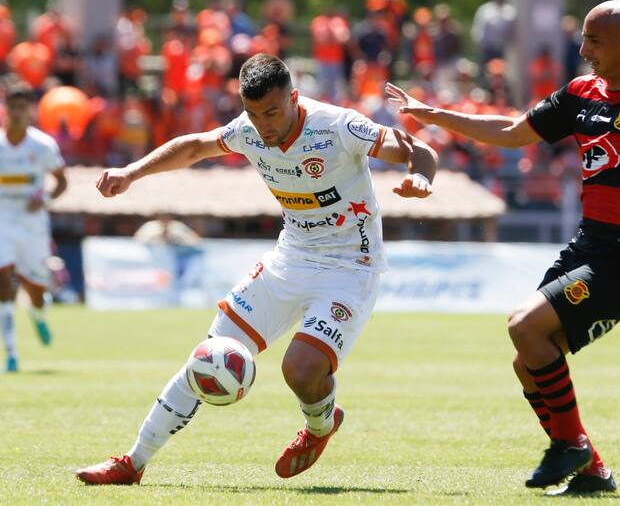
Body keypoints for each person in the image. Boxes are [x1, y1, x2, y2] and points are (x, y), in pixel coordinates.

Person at [386, 0, 620, 495]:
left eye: (594, 41)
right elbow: (511, 132)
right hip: (589, 246)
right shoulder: (581, 92)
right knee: (528, 359)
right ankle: (591, 470)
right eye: (583, 38)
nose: (583, 50)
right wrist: (434, 115)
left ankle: (571, 447)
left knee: (525, 326)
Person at [75, 53, 438, 484]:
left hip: (350, 267)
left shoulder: (337, 125)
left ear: (294, 98)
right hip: (290, 259)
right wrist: (132, 173)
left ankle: (320, 426)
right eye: (253, 114)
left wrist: (421, 178)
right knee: (206, 357)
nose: (263, 125)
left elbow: (419, 149)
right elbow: (193, 146)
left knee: (300, 370)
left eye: (272, 112)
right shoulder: (248, 131)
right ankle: (132, 463)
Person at [0, 80, 68, 372]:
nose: (16, 114)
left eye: (22, 108)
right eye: (12, 108)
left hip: (32, 226)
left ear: (31, 111)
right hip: (3, 221)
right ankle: (11, 352)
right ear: (5, 110)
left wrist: (45, 200)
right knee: (3, 279)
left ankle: (38, 314)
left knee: (35, 288)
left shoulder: (42, 146)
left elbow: (62, 182)